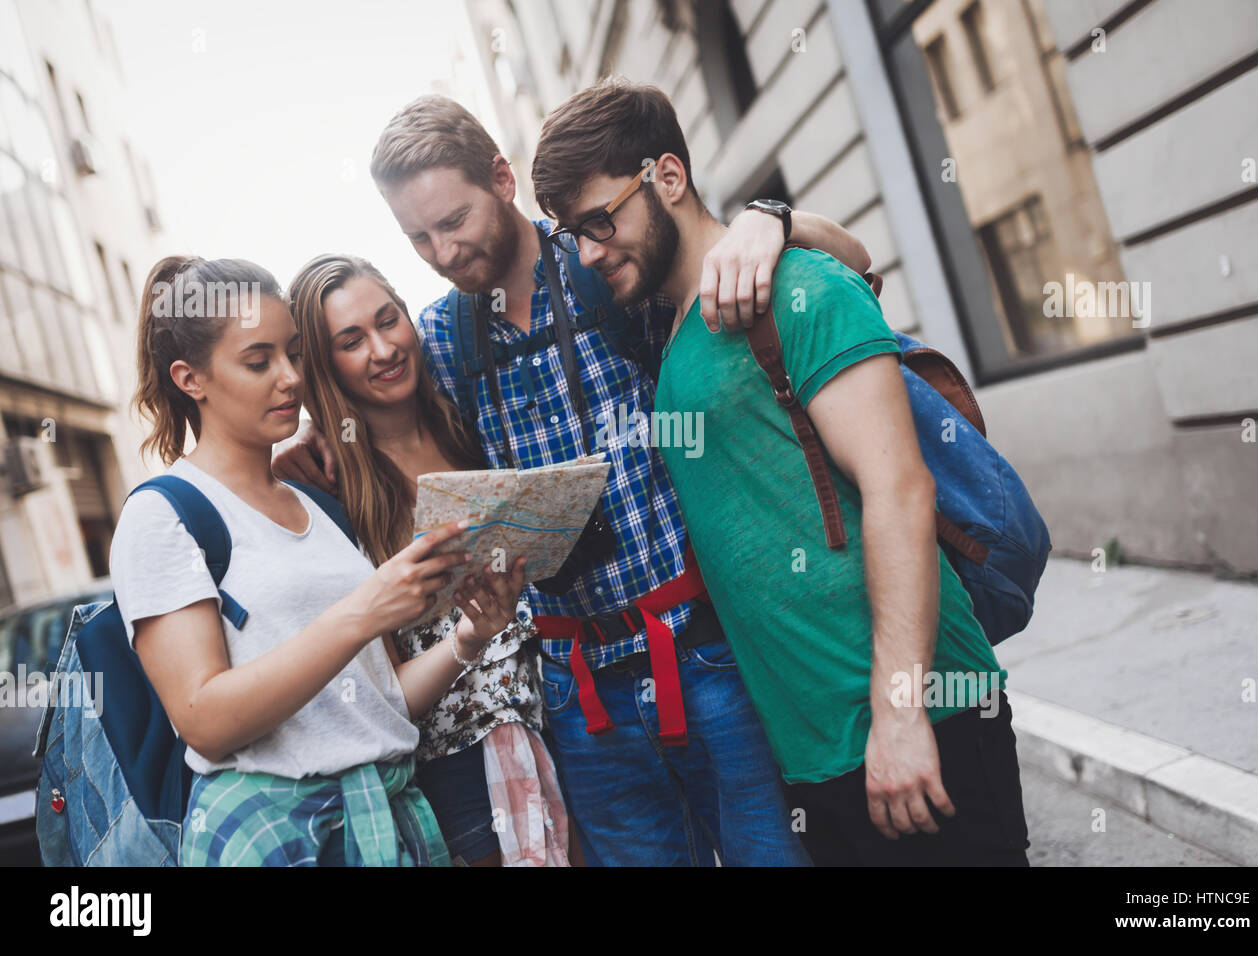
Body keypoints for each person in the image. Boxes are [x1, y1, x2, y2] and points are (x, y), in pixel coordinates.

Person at [274, 94, 876, 867]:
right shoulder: (442, 341)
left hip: (705, 652)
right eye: (418, 238)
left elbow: (844, 260)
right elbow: (367, 382)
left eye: (454, 221)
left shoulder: (612, 259)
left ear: (502, 178)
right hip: (579, 693)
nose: (444, 252)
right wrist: (308, 433)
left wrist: (772, 219)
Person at [531, 79, 1031, 866]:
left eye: (601, 220)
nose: (591, 251)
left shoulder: (794, 287)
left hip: (916, 717)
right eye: (574, 236)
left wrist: (899, 715)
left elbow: (899, 490)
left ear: (667, 178)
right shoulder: (667, 331)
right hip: (811, 754)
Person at [113, 255, 522, 866]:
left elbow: (377, 706)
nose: (290, 378)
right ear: (189, 378)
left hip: (387, 823)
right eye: (258, 362)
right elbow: (205, 719)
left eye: (294, 353)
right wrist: (362, 611)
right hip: (279, 838)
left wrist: (469, 638)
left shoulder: (319, 505)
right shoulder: (163, 515)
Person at [288, 252, 568, 866]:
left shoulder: (468, 420)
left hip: (559, 723)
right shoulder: (332, 496)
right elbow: (382, 694)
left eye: (389, 321)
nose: (384, 349)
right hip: (460, 776)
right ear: (324, 364)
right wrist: (469, 637)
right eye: (351, 340)